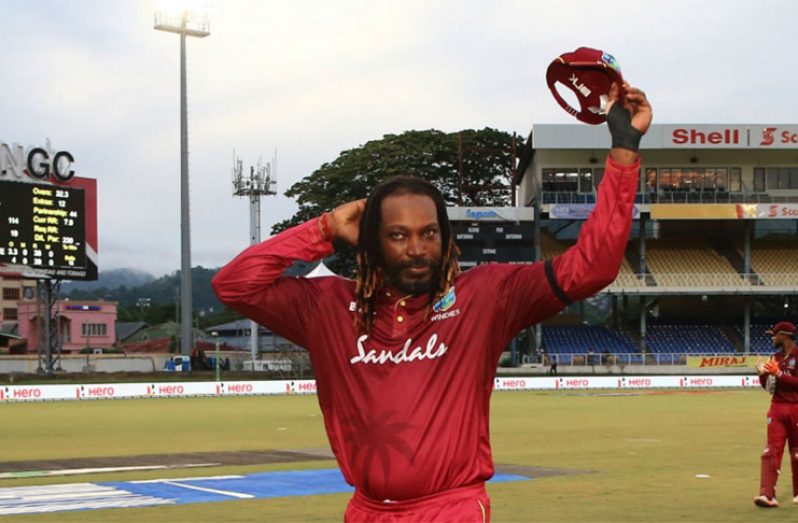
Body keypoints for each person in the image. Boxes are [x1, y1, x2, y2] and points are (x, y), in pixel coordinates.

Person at [212, 83, 651, 522]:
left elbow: (592, 268)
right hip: (365, 511)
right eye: (398, 235)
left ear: (445, 237)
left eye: (429, 233)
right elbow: (234, 285)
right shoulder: (327, 307)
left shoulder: (486, 296)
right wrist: (322, 229)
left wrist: (624, 152)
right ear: (373, 242)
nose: (417, 248)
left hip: (450, 509)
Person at [754, 321, 798, 508]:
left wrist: (779, 374)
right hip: (777, 408)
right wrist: (762, 375)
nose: (772, 338)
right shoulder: (775, 357)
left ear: (785, 335)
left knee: (797, 454)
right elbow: (771, 388)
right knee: (771, 451)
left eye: (775, 335)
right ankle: (767, 495)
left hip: (796, 408)